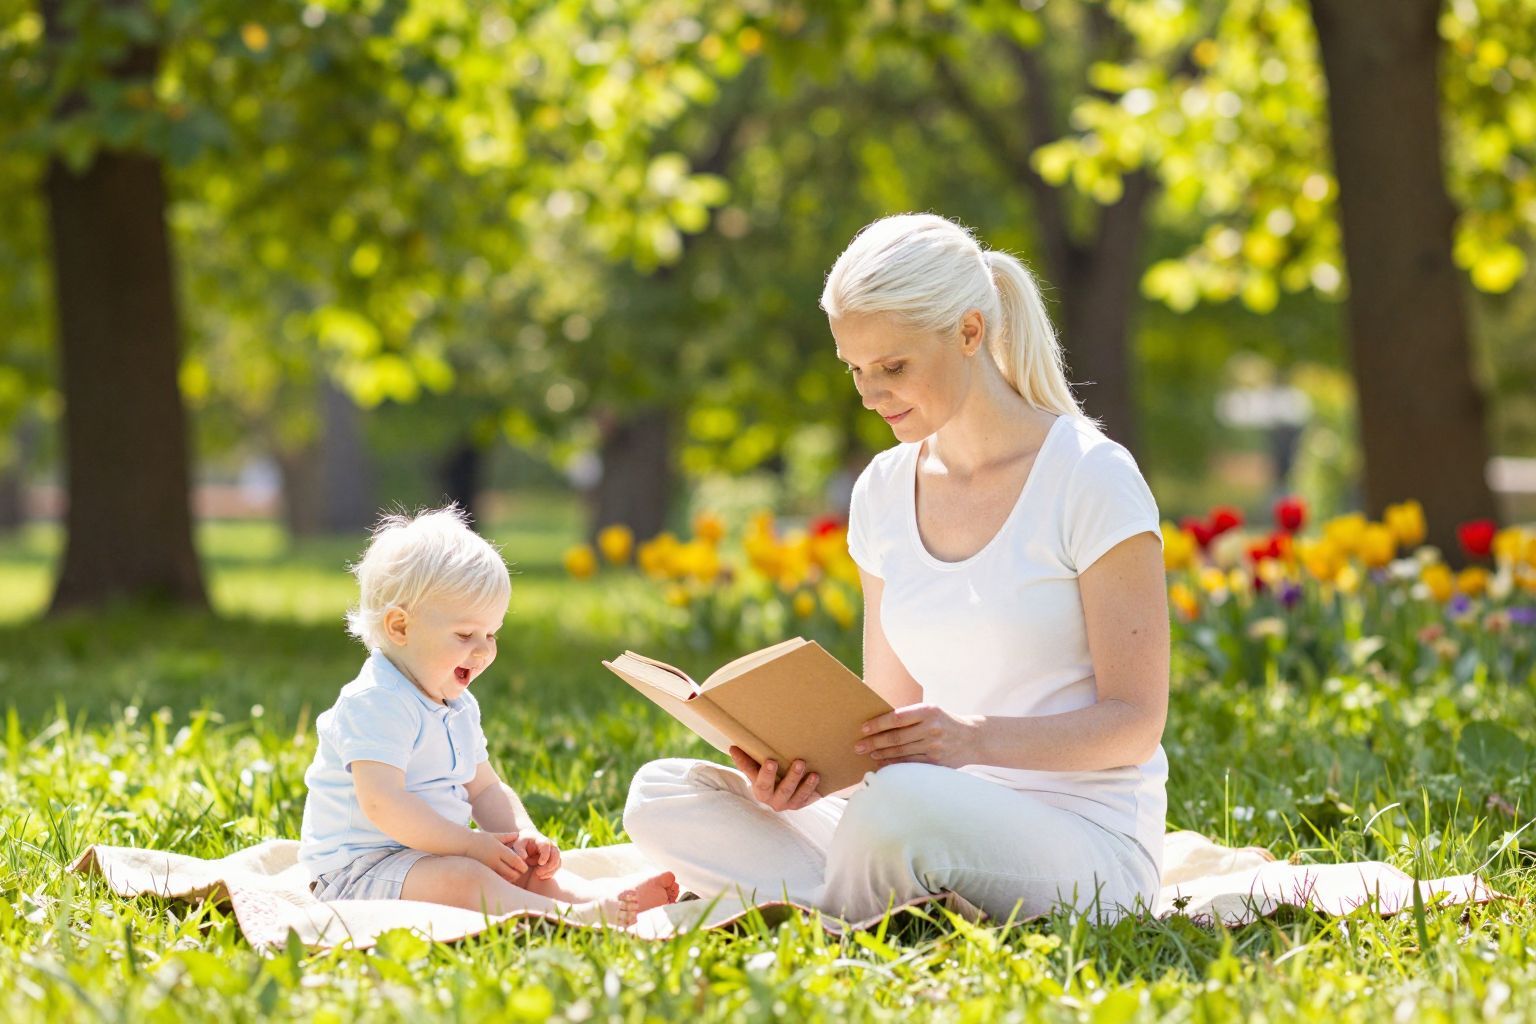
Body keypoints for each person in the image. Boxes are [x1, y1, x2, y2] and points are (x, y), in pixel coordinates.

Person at [624, 213, 1168, 924]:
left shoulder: (1090, 475)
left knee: (901, 807)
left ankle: (799, 915)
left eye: (893, 367)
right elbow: (882, 727)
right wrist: (804, 778)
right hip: (909, 811)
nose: (869, 394)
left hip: (1082, 843)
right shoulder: (882, 489)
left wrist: (974, 740)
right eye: (854, 368)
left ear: (969, 332)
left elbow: (1135, 724)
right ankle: (849, 904)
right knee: (663, 793)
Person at [299, 505, 678, 925]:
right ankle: (564, 917)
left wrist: (523, 834)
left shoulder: (458, 705)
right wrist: (468, 845)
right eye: (465, 634)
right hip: (359, 871)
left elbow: (484, 789)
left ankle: (596, 897)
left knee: (515, 866)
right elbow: (382, 802)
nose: (483, 650)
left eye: (491, 633)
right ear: (400, 628)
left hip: (432, 855)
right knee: (467, 877)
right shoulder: (377, 702)